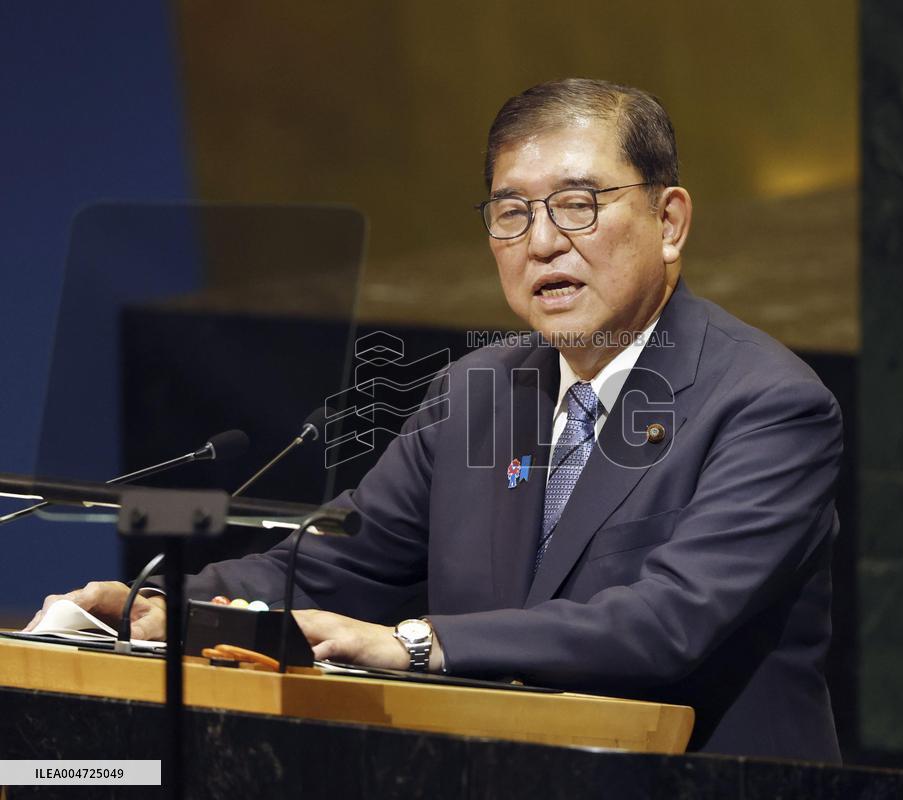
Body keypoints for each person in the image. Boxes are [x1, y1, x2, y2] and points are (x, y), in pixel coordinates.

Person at [26, 78, 843, 761]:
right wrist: (157, 604)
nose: (544, 241)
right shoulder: (473, 395)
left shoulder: (768, 404)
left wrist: (418, 645)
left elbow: (667, 623)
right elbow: (330, 561)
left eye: (580, 205)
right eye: (511, 212)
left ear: (670, 223)